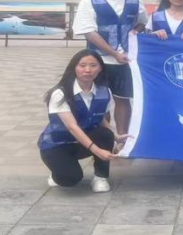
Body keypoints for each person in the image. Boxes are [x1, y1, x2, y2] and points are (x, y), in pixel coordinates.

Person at [71, 0, 148, 141]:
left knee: (123, 100)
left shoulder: (134, 1)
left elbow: (143, 22)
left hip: (126, 61)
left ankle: (123, 139)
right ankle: (104, 139)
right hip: (99, 61)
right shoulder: (89, 2)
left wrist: (136, 31)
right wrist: (114, 53)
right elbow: (89, 32)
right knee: (100, 100)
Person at [39, 50, 130, 192]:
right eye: (82, 65)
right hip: (57, 144)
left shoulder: (104, 91)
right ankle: (58, 173)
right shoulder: (60, 93)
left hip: (82, 142)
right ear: (74, 67)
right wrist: (97, 151)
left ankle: (100, 177)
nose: (88, 70)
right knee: (71, 179)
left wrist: (115, 135)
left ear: (100, 68)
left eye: (93, 65)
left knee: (105, 134)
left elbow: (100, 118)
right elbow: (72, 127)